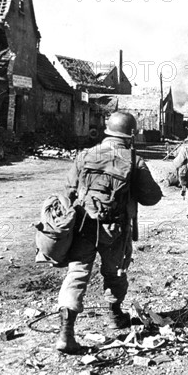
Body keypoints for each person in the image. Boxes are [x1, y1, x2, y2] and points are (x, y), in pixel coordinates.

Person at [56, 112, 162, 354]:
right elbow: (152, 197)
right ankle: (114, 316)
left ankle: (65, 332)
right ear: (131, 134)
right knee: (115, 271)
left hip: (83, 225)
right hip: (114, 229)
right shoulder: (134, 160)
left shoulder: (85, 155)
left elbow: (69, 191)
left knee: (77, 272)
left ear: (107, 132)